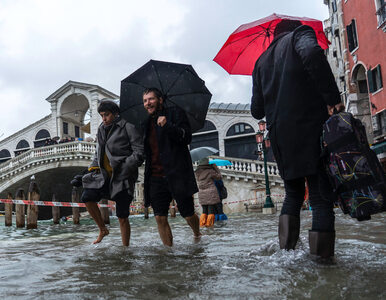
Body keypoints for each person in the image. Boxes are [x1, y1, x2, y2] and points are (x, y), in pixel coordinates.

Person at [251, 20, 344, 258]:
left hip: (281, 138)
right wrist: (332, 97)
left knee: (293, 193)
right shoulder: (300, 35)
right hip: (309, 128)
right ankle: (322, 262)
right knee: (320, 195)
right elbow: (312, 53)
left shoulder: (260, 62)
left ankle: (286, 254)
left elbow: (256, 111)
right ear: (292, 29)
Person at [80, 100, 144, 246]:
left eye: (106, 115)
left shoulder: (128, 126)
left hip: (123, 177)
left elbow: (139, 152)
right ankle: (103, 229)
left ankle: (125, 248)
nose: (104, 118)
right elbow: (98, 153)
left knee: (122, 216)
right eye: (102, 115)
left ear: (116, 114)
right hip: (105, 176)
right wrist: (87, 171)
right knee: (87, 197)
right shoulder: (101, 128)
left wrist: (125, 167)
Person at [142, 87, 201, 246]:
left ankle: (197, 234)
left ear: (160, 100)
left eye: (151, 99)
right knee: (160, 217)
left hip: (177, 173)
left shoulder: (176, 113)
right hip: (155, 176)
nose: (148, 103)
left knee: (187, 214)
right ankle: (169, 253)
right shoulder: (146, 123)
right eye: (145, 101)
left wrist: (167, 126)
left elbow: (186, 137)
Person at [195, 157, 222, 227]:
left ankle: (202, 224)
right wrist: (216, 168)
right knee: (211, 210)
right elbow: (219, 177)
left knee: (204, 210)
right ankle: (210, 226)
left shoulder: (197, 171)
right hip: (211, 192)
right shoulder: (210, 171)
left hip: (201, 193)